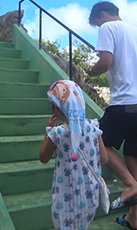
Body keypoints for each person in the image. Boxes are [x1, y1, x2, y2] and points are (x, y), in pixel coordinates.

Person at [86, 1, 137, 230]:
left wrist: (92, 71)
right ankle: (133, 219)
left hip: (125, 104)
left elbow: (106, 62)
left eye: (97, 23)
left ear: (103, 15)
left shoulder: (108, 28)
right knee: (134, 158)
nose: (99, 27)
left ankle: (129, 185)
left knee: (98, 142)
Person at [40, 80, 109, 230]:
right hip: (90, 193)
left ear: (59, 108)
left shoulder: (58, 133)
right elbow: (104, 159)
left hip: (66, 196)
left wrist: (49, 131)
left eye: (53, 106)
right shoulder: (93, 127)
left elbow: (43, 158)